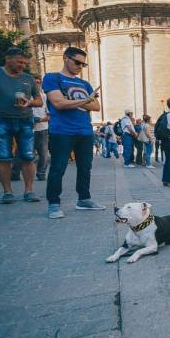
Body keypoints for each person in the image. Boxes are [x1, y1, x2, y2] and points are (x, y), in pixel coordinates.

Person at [42, 46, 105, 218]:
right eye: (77, 62)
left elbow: (96, 106)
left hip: (84, 130)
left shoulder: (85, 84)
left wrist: (73, 100)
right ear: (66, 58)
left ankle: (84, 199)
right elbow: (58, 104)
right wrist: (85, 100)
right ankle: (54, 204)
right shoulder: (52, 78)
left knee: (85, 167)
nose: (80, 67)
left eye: (83, 65)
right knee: (58, 168)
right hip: (62, 131)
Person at [0, 47, 43, 204]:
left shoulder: (28, 78)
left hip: (25, 120)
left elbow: (39, 100)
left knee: (28, 156)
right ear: (8, 59)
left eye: (25, 63)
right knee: (3, 157)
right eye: (19, 62)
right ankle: (7, 192)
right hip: (0, 120)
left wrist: (30, 102)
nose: (22, 66)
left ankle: (29, 191)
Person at [31, 75, 49, 181]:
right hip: (27, 129)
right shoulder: (25, 97)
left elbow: (50, 115)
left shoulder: (45, 97)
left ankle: (41, 173)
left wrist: (40, 120)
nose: (37, 84)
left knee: (43, 154)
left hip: (42, 129)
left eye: (39, 82)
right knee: (23, 153)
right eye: (35, 82)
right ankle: (14, 172)